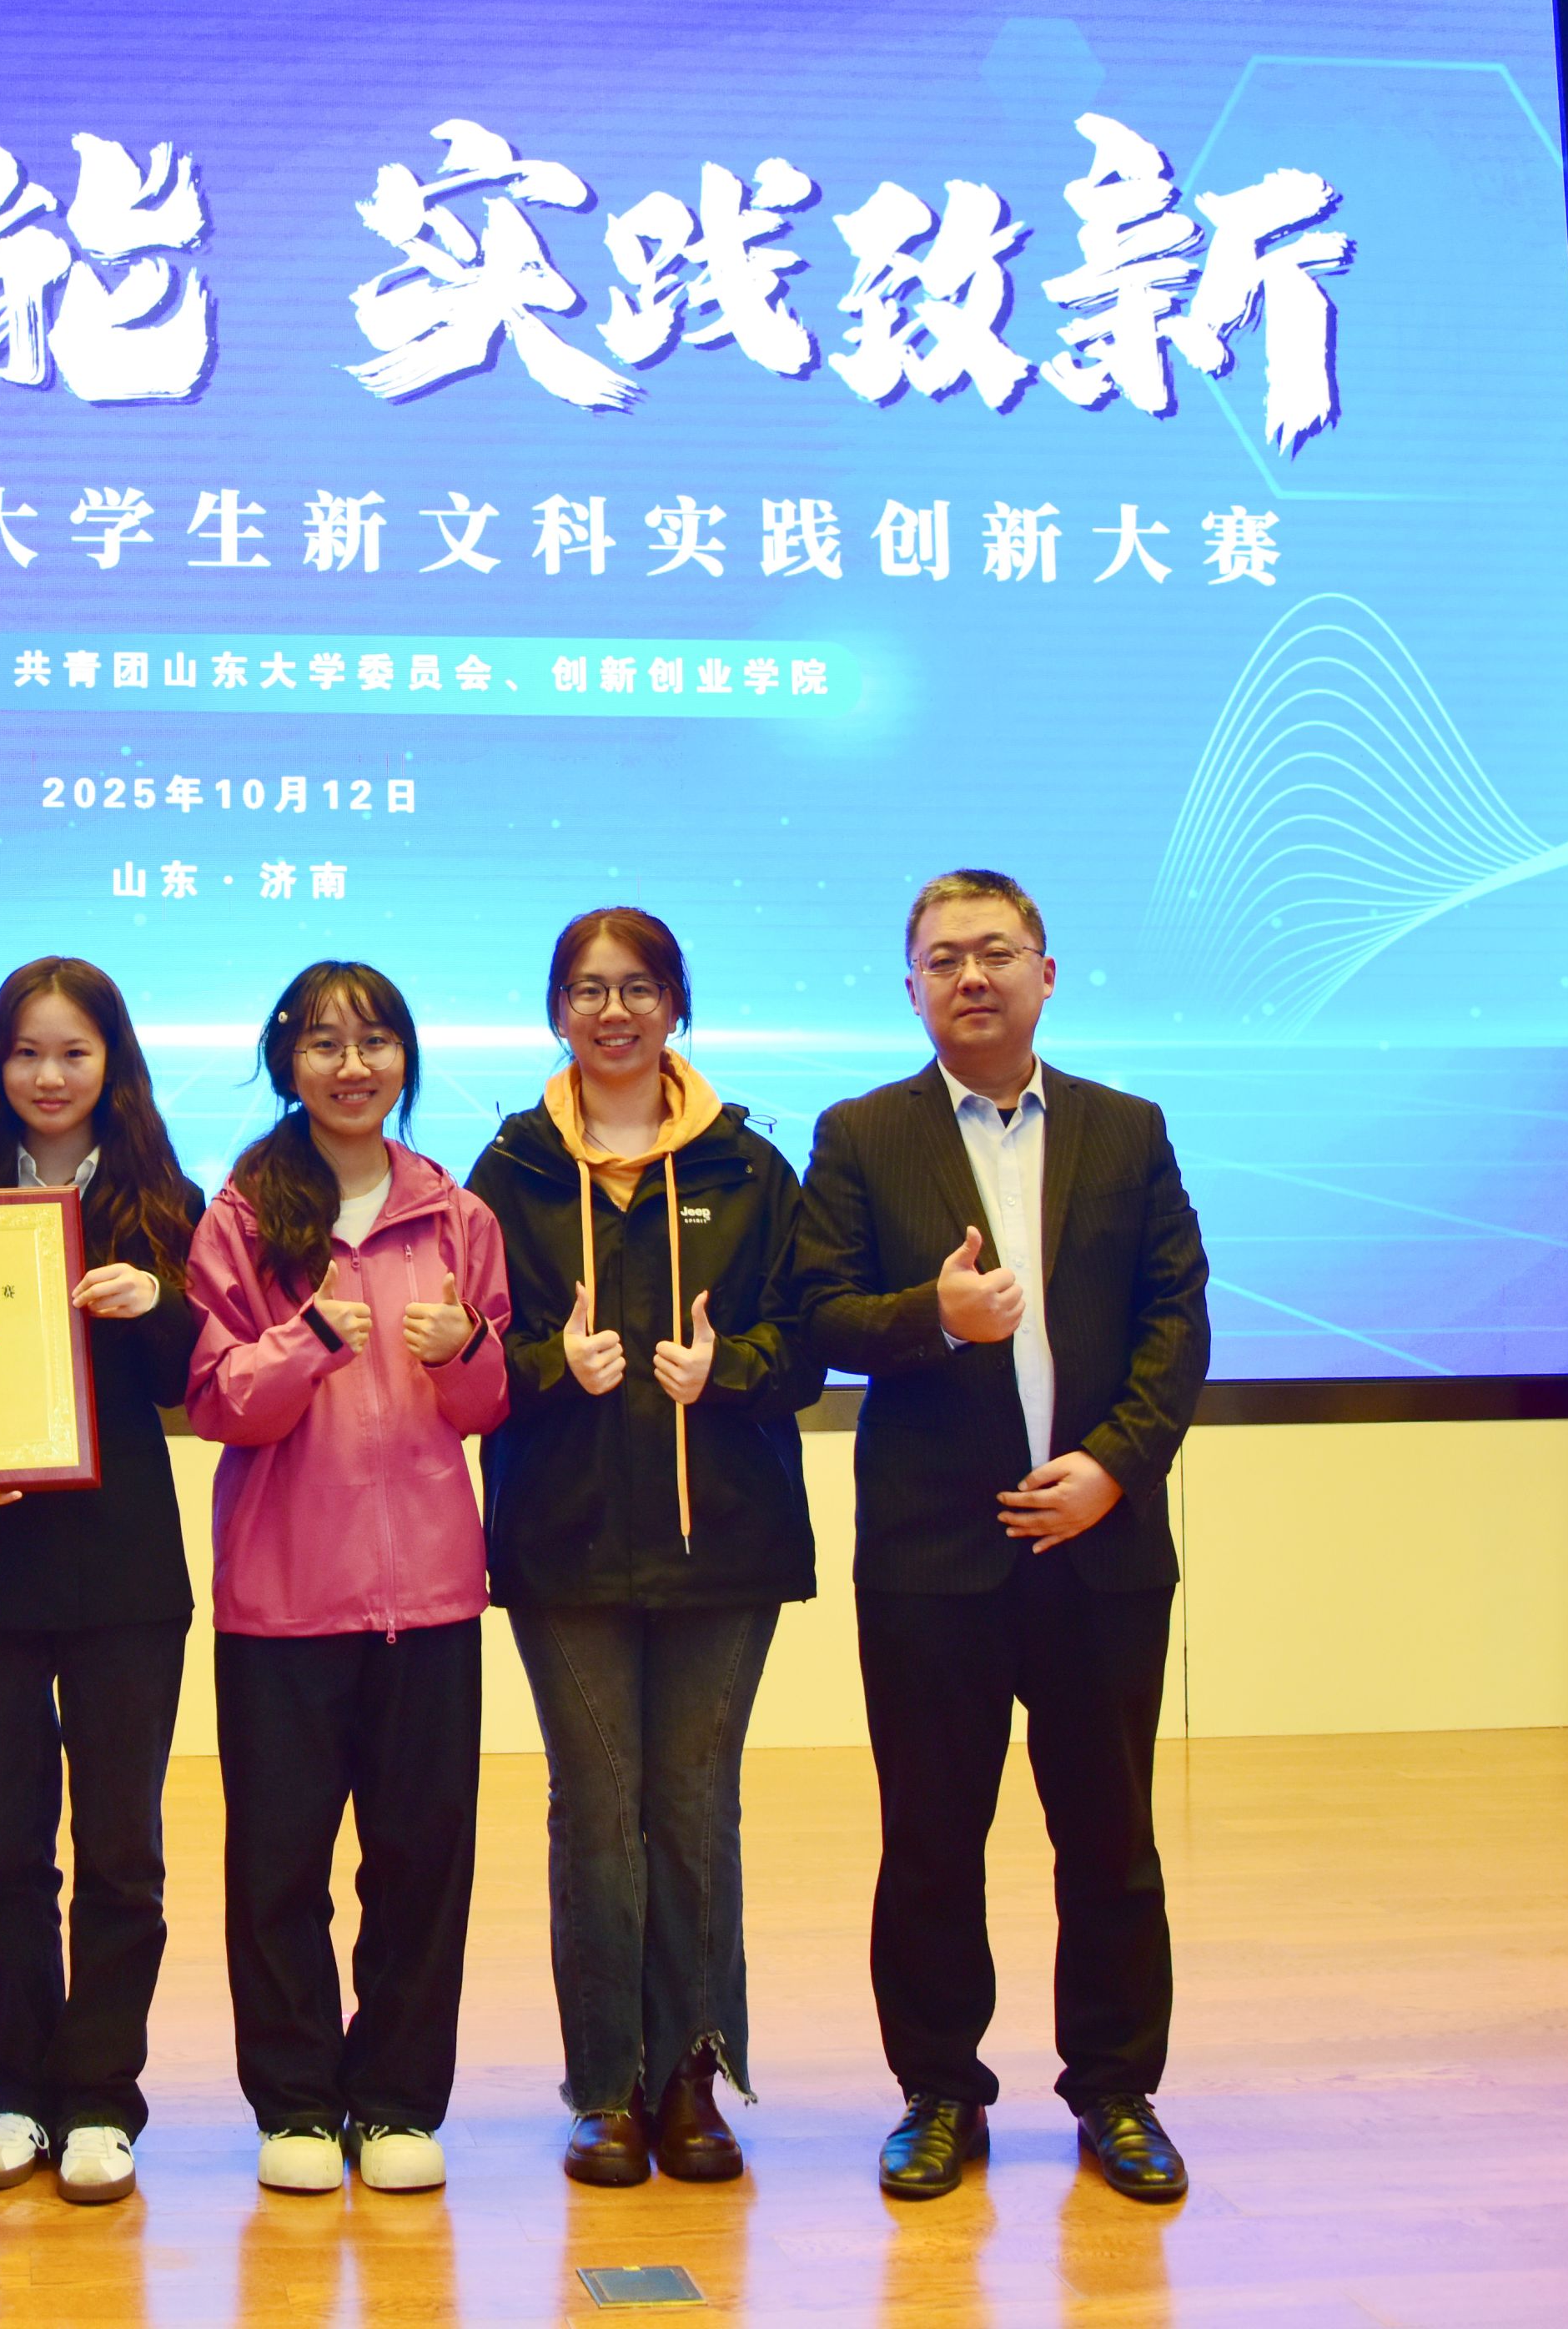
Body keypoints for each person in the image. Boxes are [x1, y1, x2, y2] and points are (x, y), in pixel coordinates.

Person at [787, 868, 1210, 2210]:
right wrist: (936, 1316)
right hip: (932, 1558)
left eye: (996, 953)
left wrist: (1114, 1467)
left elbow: (1178, 1320)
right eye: (943, 959)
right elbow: (819, 1316)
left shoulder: (1127, 1130)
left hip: (1099, 1548)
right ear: (910, 985)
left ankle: (1117, 2093)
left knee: (1110, 1839)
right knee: (930, 1841)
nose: (971, 977)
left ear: (1045, 972)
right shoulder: (862, 1135)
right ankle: (938, 2094)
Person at [465, 907, 813, 2191]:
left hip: (725, 1538)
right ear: (556, 1011)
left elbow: (807, 1340)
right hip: (564, 1540)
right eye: (587, 990)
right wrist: (551, 1363)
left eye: (638, 988)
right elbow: (465, 1360)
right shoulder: (507, 1171)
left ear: (677, 1005)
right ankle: (605, 2086)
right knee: (599, 1811)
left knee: (694, 1809)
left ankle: (692, 2078)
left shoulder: (749, 1168)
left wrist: (735, 1369)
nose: (612, 1013)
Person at [183, 960, 513, 2199]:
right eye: (324, 1043)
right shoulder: (240, 1218)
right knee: (278, 1870)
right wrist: (310, 1338)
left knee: (421, 1864)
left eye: (374, 1041)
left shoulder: (457, 1216)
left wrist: (468, 1349)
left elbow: (485, 1406)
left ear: (405, 1059)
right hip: (283, 1596)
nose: (352, 1065)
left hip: (430, 1592)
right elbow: (220, 1405)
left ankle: (397, 2105)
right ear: (289, 1063)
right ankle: (297, 2108)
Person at [0, 958, 206, 2211]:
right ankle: (18, 2092)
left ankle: (102, 2098)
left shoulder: (166, 1200)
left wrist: (157, 1303)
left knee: (121, 1852)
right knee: (1, 1852)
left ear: (113, 1066)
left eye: (74, 1053)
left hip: (123, 1571)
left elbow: (195, 1380)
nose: (49, 1076)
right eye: (27, 1053)